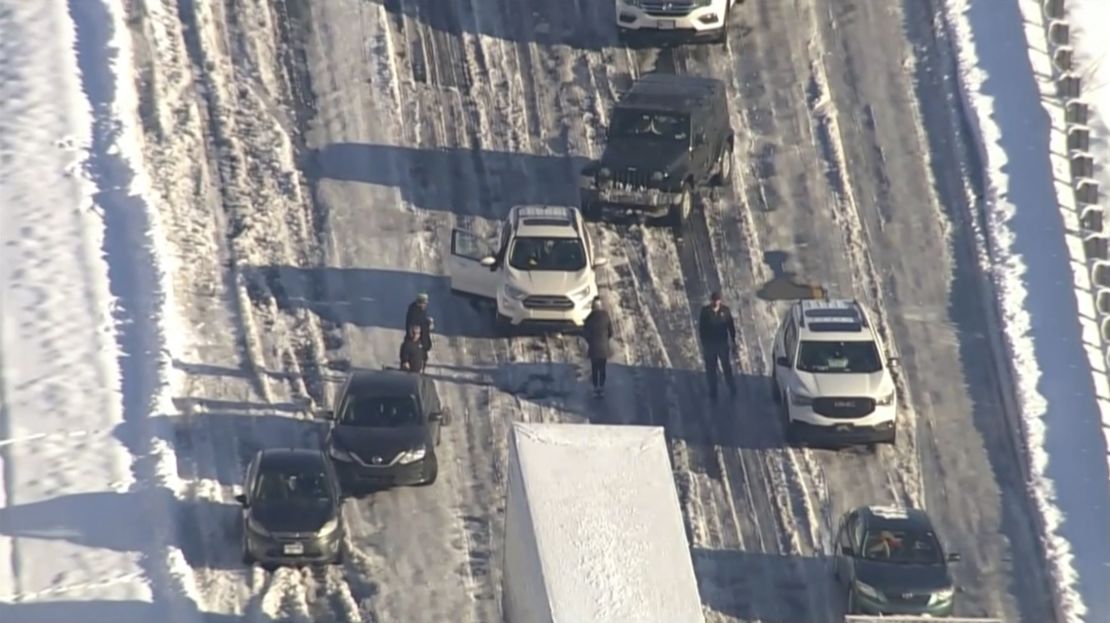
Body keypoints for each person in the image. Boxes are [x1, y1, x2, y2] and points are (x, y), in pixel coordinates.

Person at [698, 291, 738, 400]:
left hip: (722, 344)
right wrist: (704, 343)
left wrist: (733, 341)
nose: (715, 302)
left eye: (717, 300)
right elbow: (701, 329)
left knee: (726, 367)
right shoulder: (705, 312)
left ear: (720, 301)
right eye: (714, 300)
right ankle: (713, 391)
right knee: (711, 369)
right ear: (711, 301)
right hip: (710, 345)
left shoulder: (725, 311)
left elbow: (731, 326)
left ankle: (732, 387)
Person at [582, 298, 614, 397]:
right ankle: (602, 386)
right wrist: (605, 339)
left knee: (595, 368)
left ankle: (596, 388)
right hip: (604, 347)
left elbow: (585, 333)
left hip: (594, 348)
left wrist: (590, 341)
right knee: (602, 368)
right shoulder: (606, 316)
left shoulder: (589, 318)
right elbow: (611, 332)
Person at [405, 293, 434, 360]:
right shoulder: (414, 311)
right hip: (416, 340)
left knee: (423, 357)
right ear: (420, 302)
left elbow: (422, 321)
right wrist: (414, 337)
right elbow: (412, 325)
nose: (425, 305)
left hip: (422, 339)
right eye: (424, 303)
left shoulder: (421, 310)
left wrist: (428, 322)